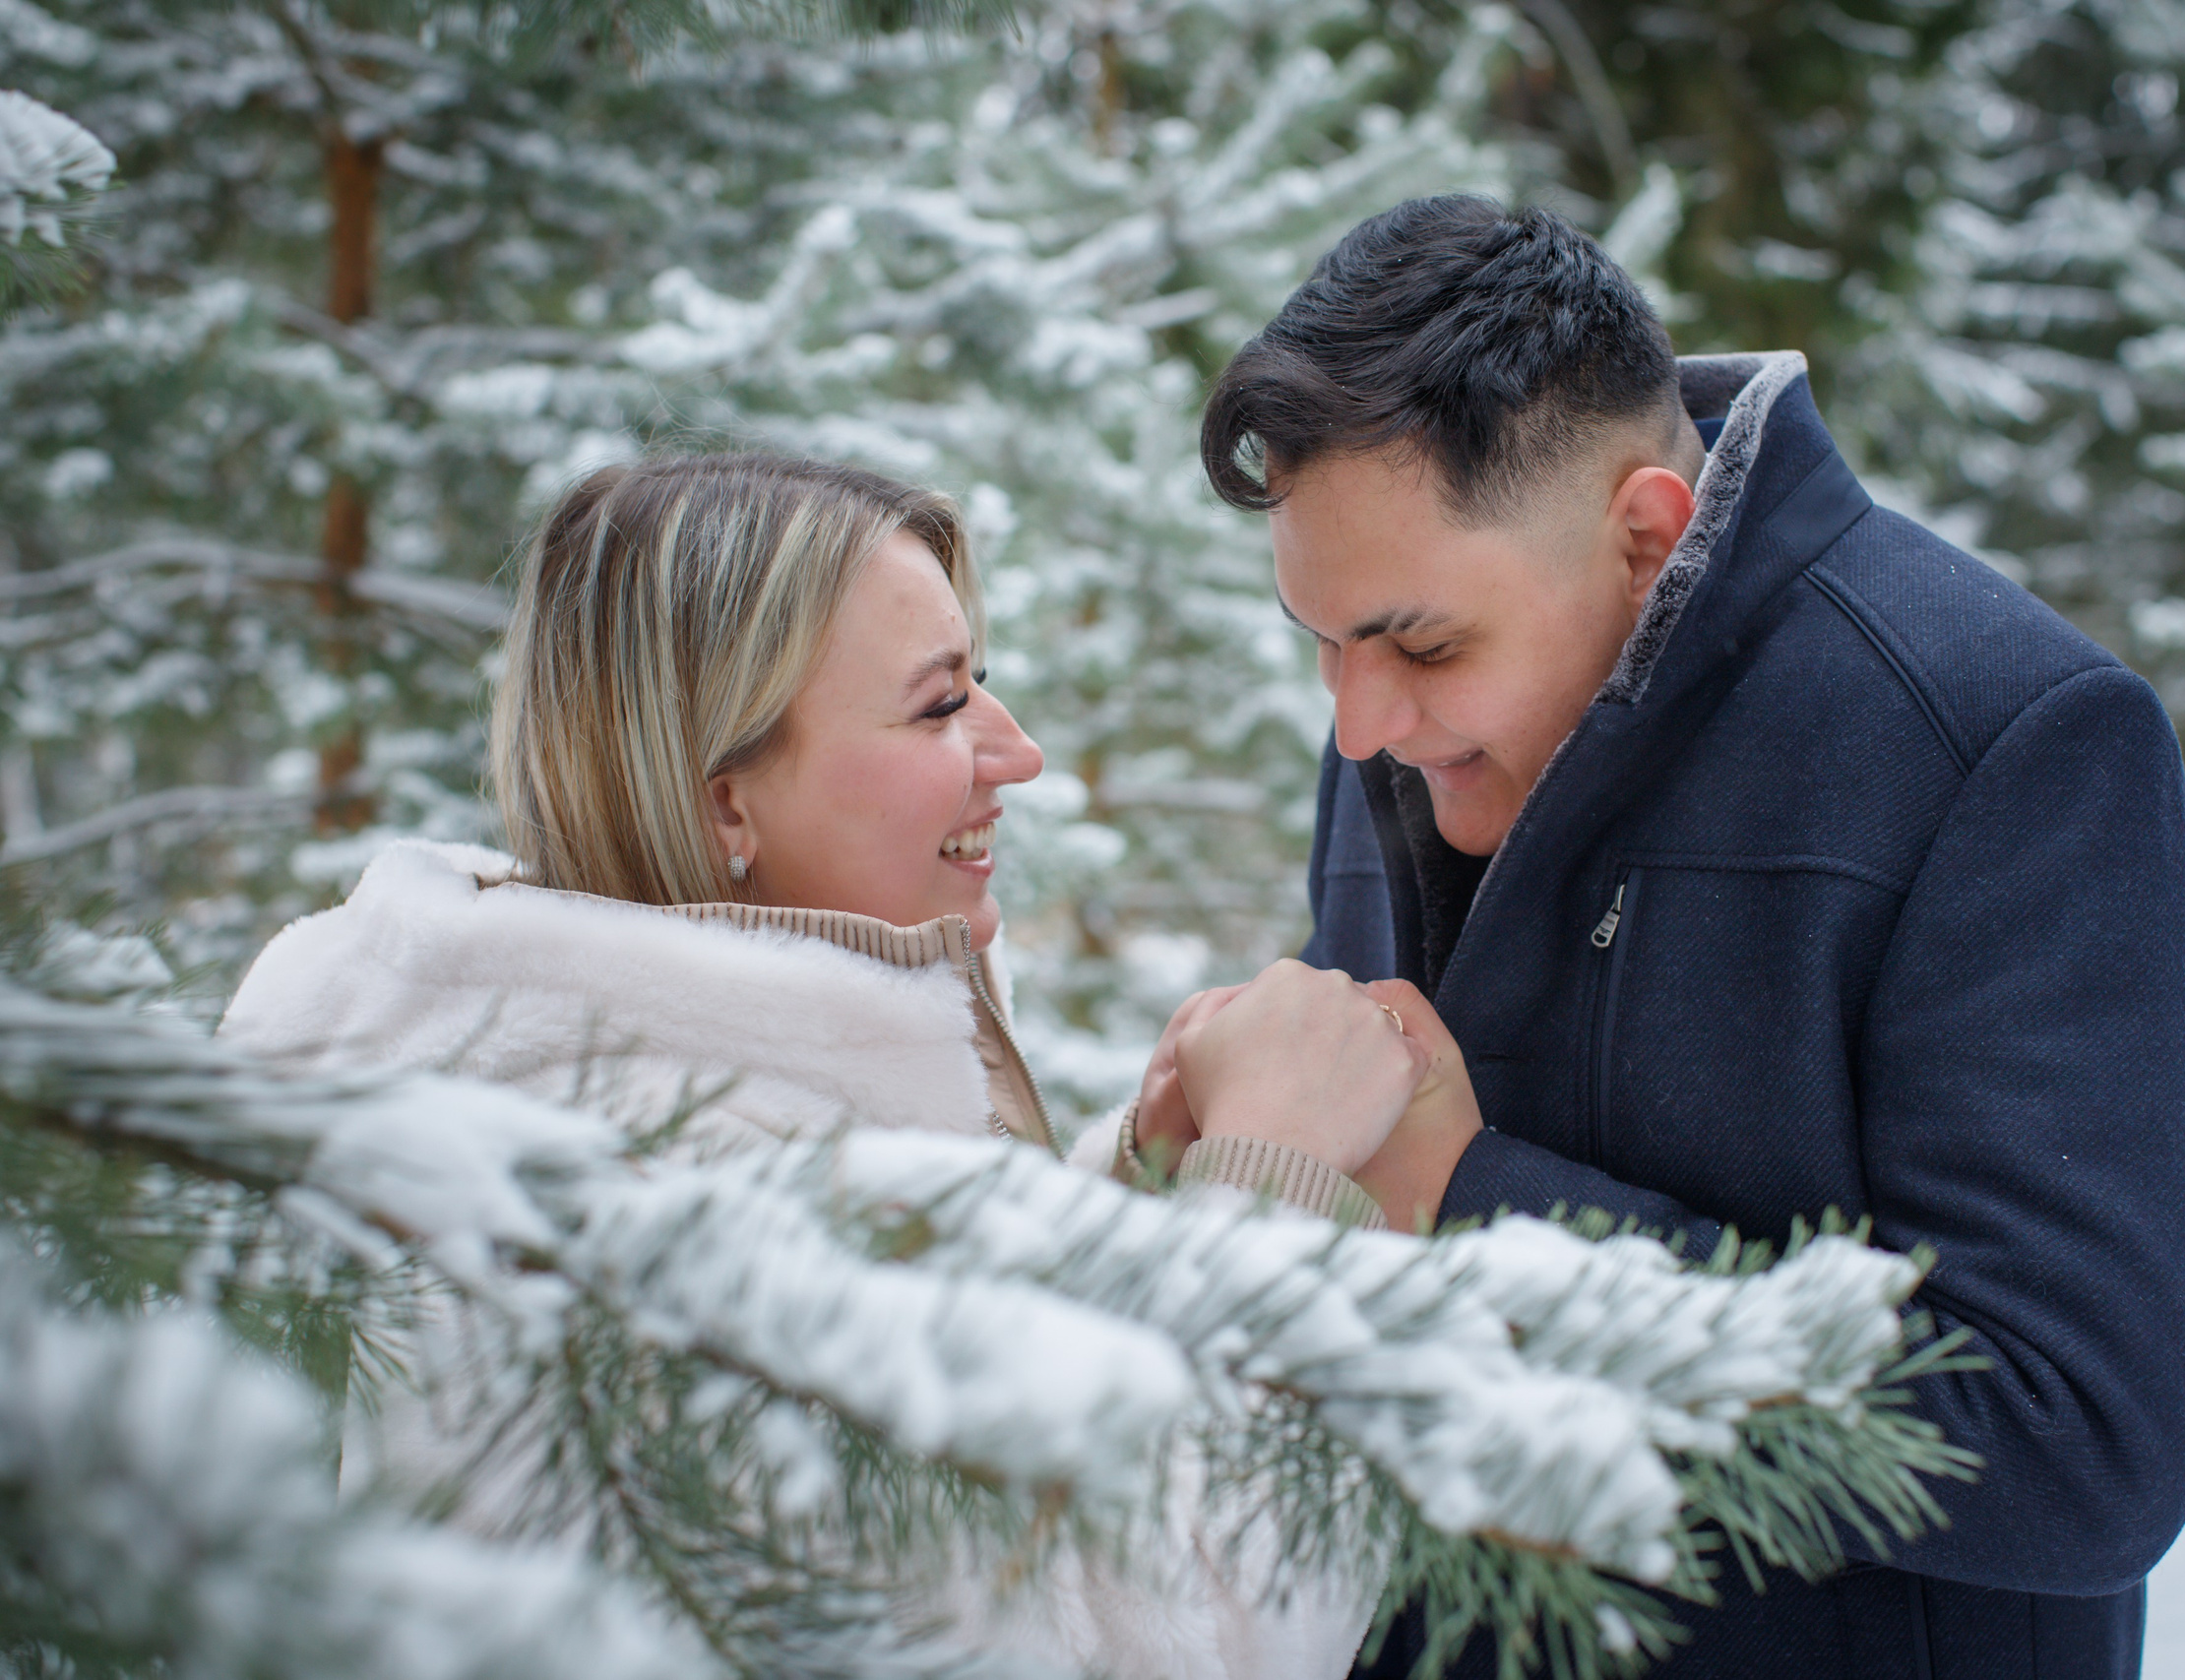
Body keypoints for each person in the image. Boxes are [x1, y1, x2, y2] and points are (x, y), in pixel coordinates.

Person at [1184, 197, 2185, 1679]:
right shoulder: (1405, 731)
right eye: (1323, 640)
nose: (1358, 720)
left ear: (1643, 534)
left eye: (1422, 642)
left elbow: (2079, 1443)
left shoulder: (2004, 741)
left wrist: (1476, 1203)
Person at [217, 453, 1422, 1680]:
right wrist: (1273, 1195)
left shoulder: (612, 1107)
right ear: (725, 808)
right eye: (939, 705)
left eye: (979, 684)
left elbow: (977, 1517)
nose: (1017, 751)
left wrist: (1137, 1194)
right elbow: (1154, 1649)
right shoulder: (688, 1251)